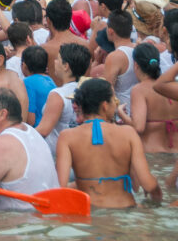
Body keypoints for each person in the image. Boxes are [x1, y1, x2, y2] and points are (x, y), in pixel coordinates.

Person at [56, 78, 160, 208]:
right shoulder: (128, 133)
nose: (115, 104)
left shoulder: (67, 137)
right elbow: (147, 184)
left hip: (90, 211)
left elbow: (60, 187)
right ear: (105, 105)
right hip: (126, 210)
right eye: (113, 100)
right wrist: (157, 196)